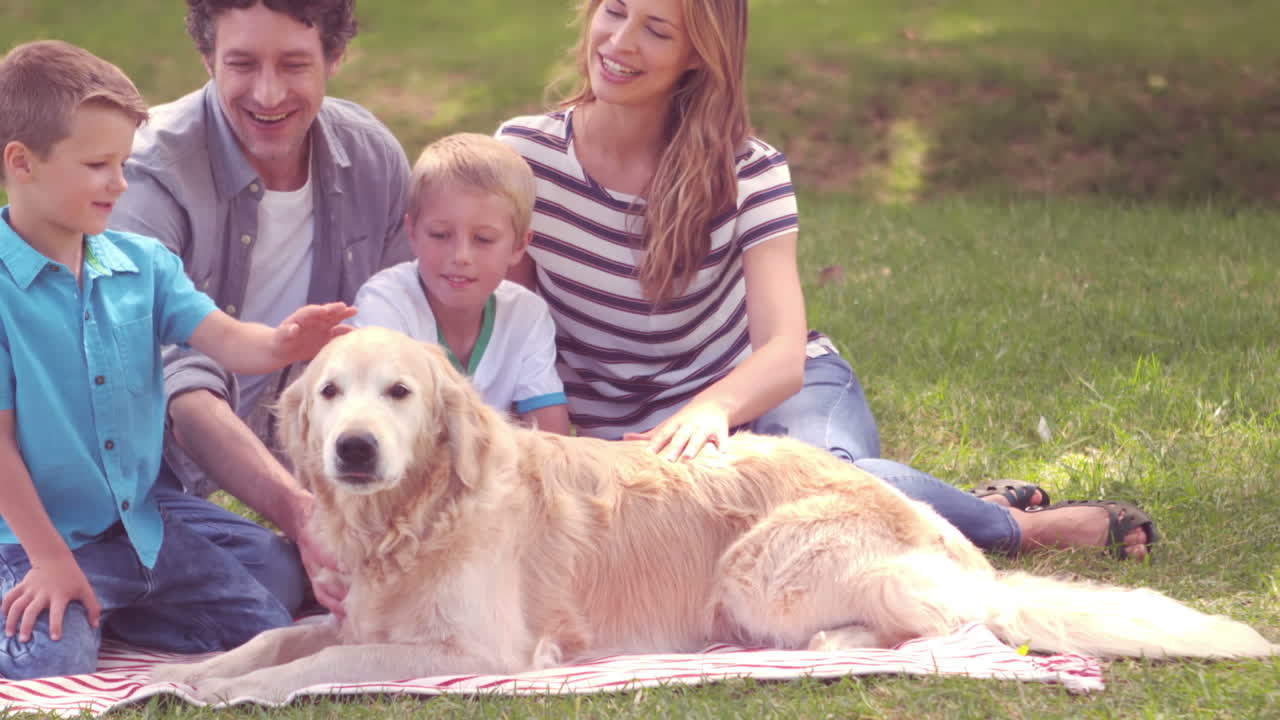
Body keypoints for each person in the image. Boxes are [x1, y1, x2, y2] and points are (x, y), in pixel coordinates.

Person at [497, 0, 1155, 559]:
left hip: (768, 394)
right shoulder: (524, 157)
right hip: (625, 436)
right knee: (733, 529)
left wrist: (709, 411)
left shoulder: (746, 171)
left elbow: (781, 352)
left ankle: (1022, 528)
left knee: (814, 486)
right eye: (614, 9)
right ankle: (966, 505)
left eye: (657, 30)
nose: (620, 40)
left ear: (699, 53)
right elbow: (515, 329)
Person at [0, 40, 355, 679]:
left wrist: (283, 344)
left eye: (123, 163)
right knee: (49, 665)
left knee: (277, 601)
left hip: (140, 523)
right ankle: (70, 603)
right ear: (22, 163)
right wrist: (50, 559)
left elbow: (222, 337)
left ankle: (117, 605)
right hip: (30, 538)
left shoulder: (143, 264)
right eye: (98, 165)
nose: (120, 182)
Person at [109, 0, 412, 614]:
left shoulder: (372, 161)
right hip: (127, 474)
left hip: (289, 466)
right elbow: (180, 388)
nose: (268, 94)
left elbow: (395, 353)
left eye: (295, 65)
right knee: (273, 585)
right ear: (207, 58)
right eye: (241, 64)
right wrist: (302, 517)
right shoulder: (148, 173)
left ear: (334, 57)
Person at [353, 134, 570, 434]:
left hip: (494, 474)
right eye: (440, 234)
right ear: (412, 233)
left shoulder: (527, 314)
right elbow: (379, 424)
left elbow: (548, 432)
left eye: (483, 239)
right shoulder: (386, 304)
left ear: (519, 246)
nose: (461, 256)